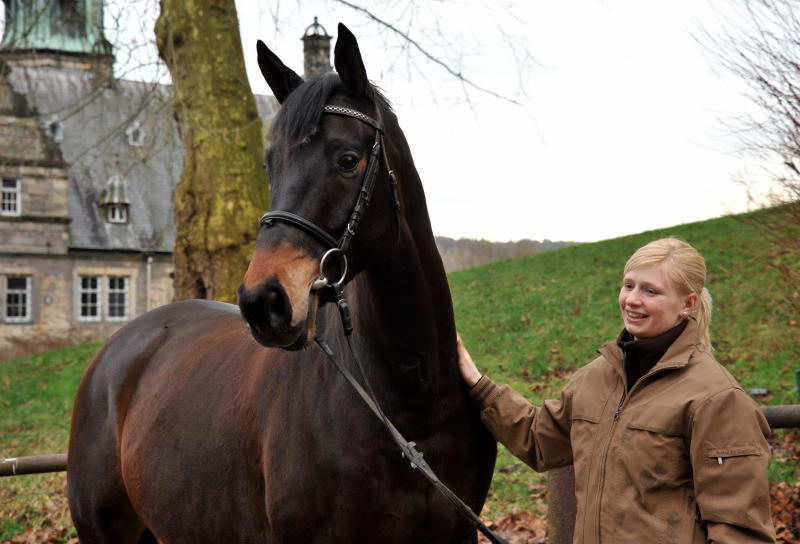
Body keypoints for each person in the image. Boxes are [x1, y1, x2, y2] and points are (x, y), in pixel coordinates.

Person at [457, 237, 776, 543]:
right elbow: (540, 439)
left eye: (651, 291)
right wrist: (478, 383)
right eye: (629, 285)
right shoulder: (597, 377)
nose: (632, 299)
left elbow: (740, 532)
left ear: (688, 304)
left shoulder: (717, 399)